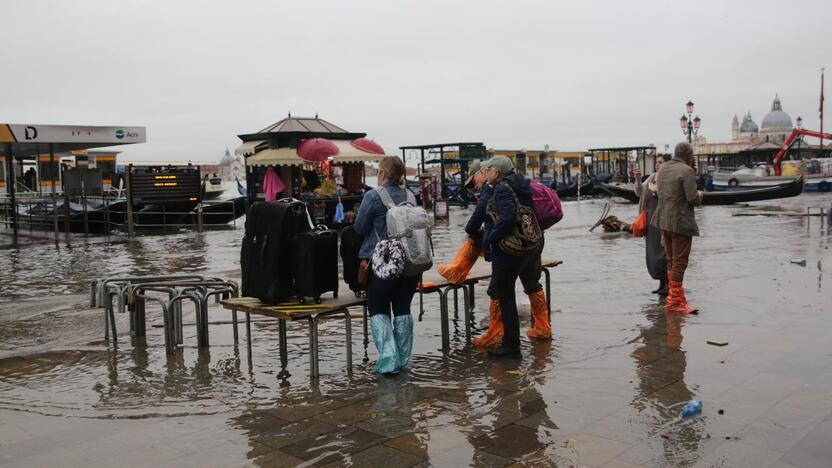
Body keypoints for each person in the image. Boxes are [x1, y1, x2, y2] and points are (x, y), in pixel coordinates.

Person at [465, 156, 544, 358]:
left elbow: (508, 217)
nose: (486, 172)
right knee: (525, 286)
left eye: (489, 169)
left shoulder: (501, 188)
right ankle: (538, 330)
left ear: (497, 172)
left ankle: (511, 346)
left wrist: (491, 238)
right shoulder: (521, 184)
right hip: (528, 245)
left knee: (504, 295)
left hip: (508, 249)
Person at [354, 156, 420, 374]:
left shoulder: (373, 196)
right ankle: (404, 360)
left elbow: (360, 228)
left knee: (378, 310)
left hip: (382, 264)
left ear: (382, 174)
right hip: (410, 265)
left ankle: (389, 361)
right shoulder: (412, 196)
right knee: (402, 309)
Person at [651, 142, 702, 315]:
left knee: (671, 260)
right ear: (688, 154)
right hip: (680, 222)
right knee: (680, 261)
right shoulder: (686, 171)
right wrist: (701, 195)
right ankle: (675, 302)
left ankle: (675, 299)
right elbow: (692, 198)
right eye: (692, 154)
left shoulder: (663, 169)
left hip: (663, 221)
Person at [634, 156, 668, 295]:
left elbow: (670, 196)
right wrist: (637, 179)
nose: (657, 165)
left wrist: (658, 191)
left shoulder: (668, 178)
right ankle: (661, 283)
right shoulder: (653, 177)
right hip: (650, 221)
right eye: (657, 163)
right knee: (653, 253)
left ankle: (668, 283)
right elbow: (639, 192)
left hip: (662, 220)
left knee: (664, 253)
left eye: (660, 163)